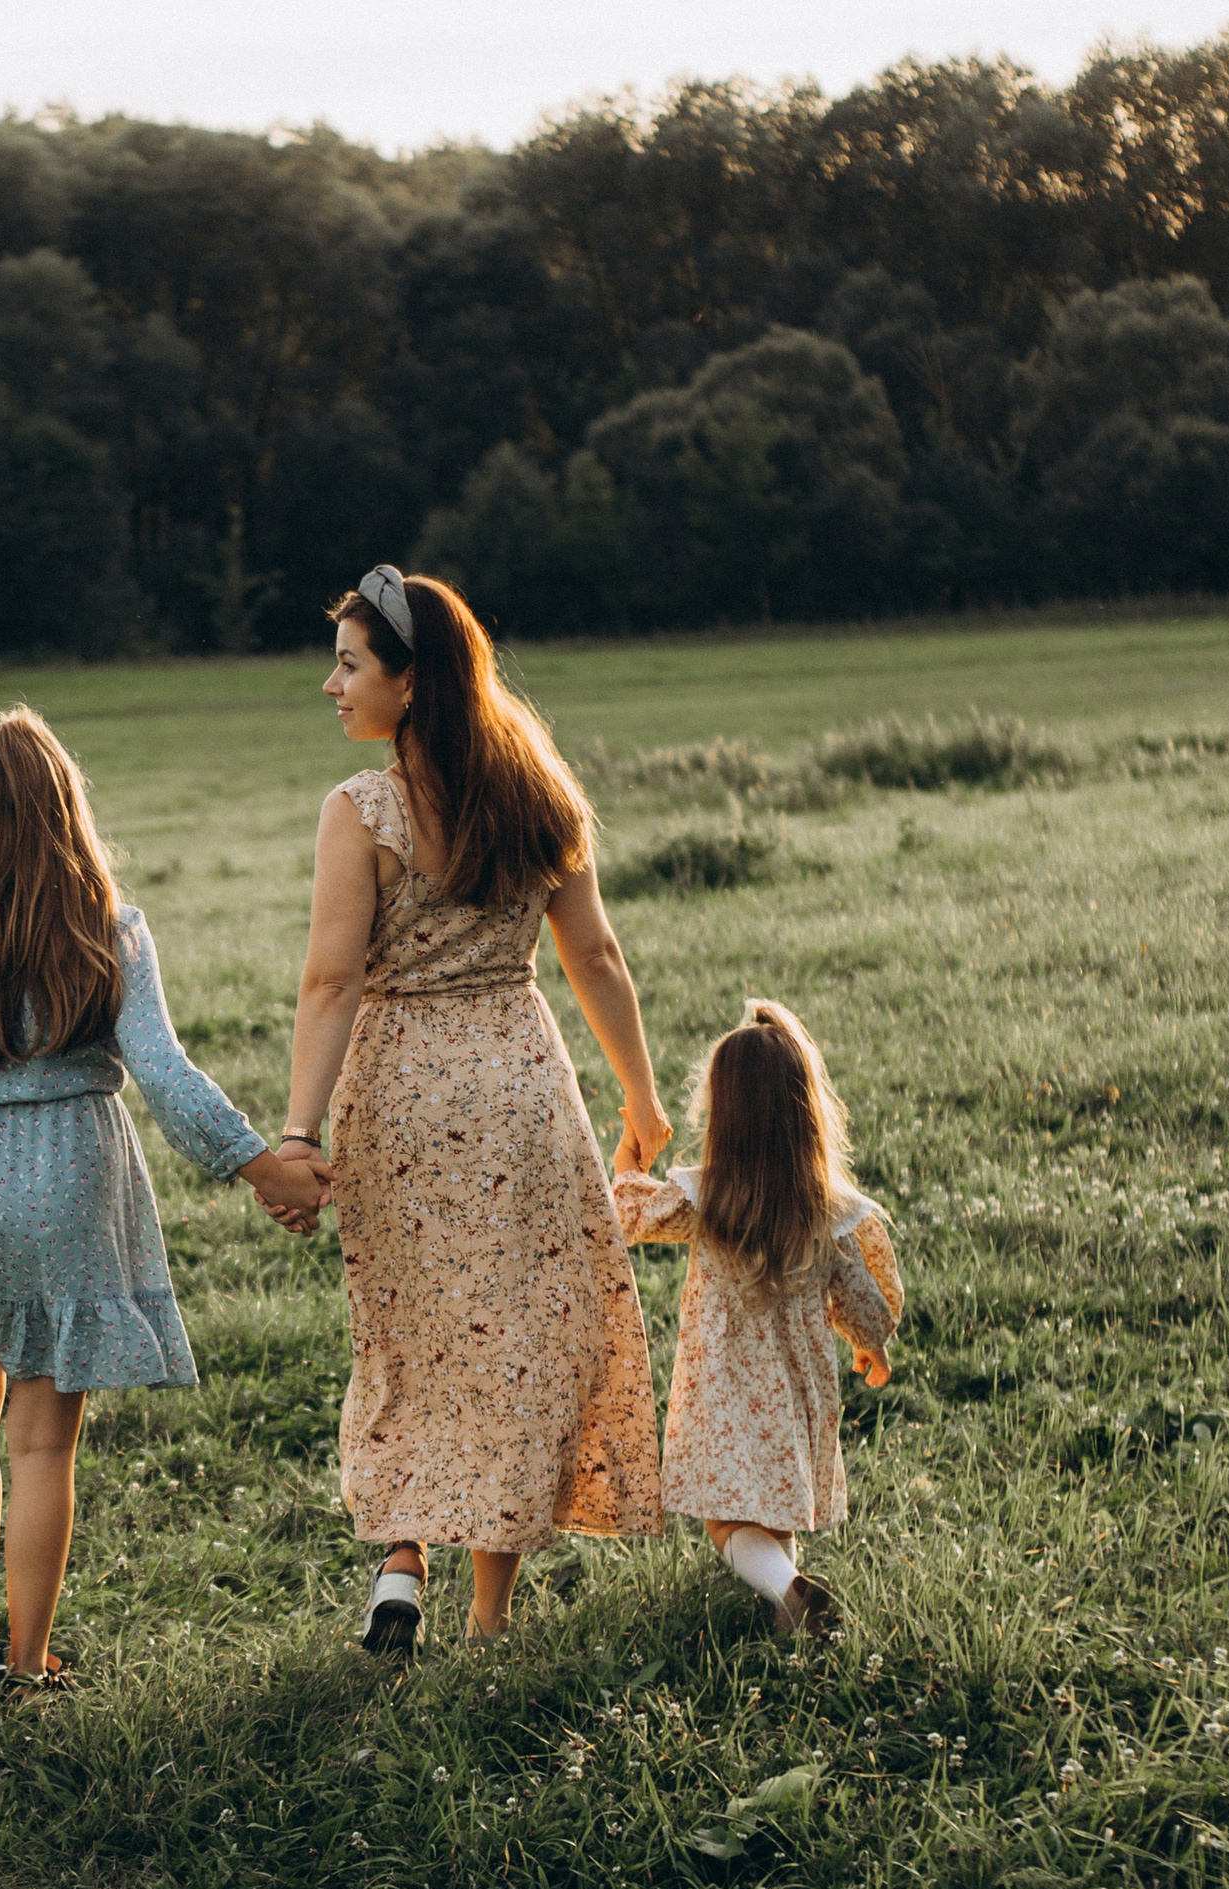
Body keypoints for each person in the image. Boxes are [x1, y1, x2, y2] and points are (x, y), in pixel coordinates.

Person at [0, 706, 328, 1692]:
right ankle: (27, 1663)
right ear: (69, 819)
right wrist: (258, 1165)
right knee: (44, 1444)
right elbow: (166, 1075)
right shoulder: (110, 933)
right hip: (70, 1192)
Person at [280, 564, 667, 1653]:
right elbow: (591, 953)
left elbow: (330, 981)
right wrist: (640, 1098)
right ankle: (487, 1620)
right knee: (513, 1350)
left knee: (406, 1339)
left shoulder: (363, 812)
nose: (331, 685)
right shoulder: (538, 786)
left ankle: (402, 1560)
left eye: (349, 664)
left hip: (397, 1096)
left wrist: (300, 1134)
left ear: (410, 682)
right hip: (520, 1089)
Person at [612, 997, 902, 1640]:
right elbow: (863, 1299)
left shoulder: (707, 1196)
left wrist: (628, 1165)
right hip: (796, 1394)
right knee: (777, 1514)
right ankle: (789, 1615)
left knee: (726, 1522)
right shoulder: (828, 1211)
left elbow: (630, 1216)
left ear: (726, 1116)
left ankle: (789, 1590)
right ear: (805, 1116)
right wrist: (871, 1348)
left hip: (722, 1392)